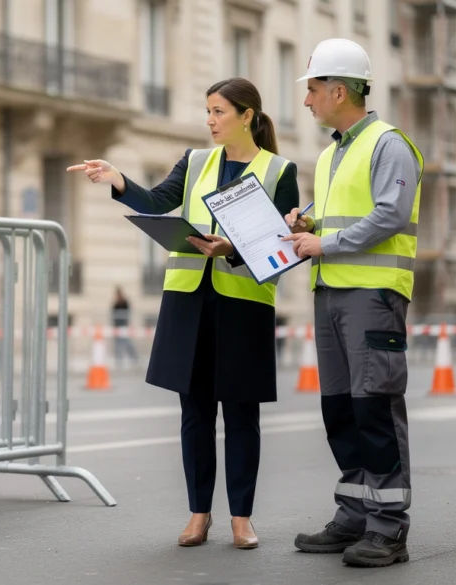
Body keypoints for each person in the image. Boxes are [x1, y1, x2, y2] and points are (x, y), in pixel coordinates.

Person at [68, 78, 299, 549]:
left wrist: (230, 249)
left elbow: (282, 246)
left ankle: (241, 518)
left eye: (218, 112)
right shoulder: (194, 162)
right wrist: (116, 179)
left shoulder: (280, 171)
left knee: (241, 414)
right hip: (188, 299)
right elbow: (154, 202)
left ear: (246, 116)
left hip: (243, 304)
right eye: (207, 112)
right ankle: (199, 514)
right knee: (193, 413)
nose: (210, 121)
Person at [282, 38, 423, 568]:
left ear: (339, 90)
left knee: (376, 407)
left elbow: (389, 213)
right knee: (340, 408)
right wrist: (309, 220)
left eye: (313, 88)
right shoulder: (331, 153)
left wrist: (327, 241)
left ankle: (388, 529)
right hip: (331, 293)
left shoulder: (389, 144)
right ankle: (355, 513)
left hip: (372, 298)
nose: (307, 100)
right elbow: (342, 213)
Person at [111, 287, 138, 368]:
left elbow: (127, 314)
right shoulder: (115, 304)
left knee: (127, 343)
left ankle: (134, 359)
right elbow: (113, 316)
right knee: (117, 345)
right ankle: (119, 361)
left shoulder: (125, 302)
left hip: (124, 327)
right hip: (118, 327)